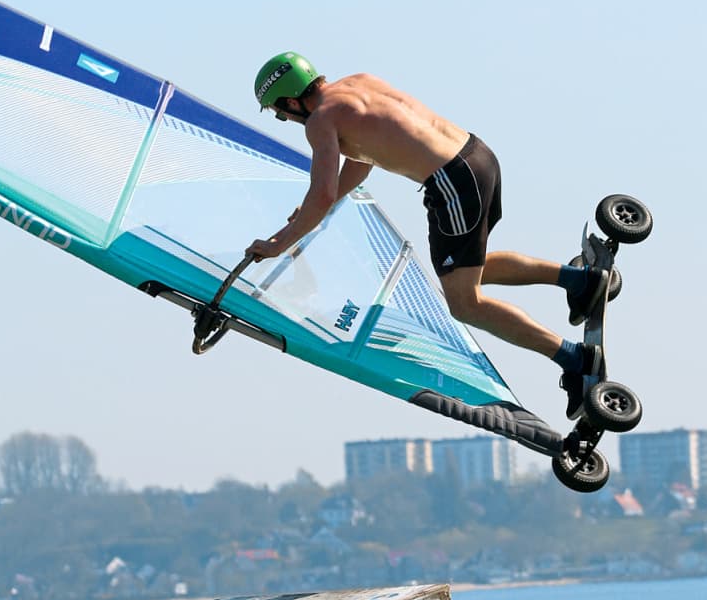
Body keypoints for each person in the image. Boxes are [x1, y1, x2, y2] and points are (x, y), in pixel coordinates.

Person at [247, 52, 609, 420]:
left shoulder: (320, 120)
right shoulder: (358, 83)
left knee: (464, 303)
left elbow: (321, 194)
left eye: (280, 113)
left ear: (291, 101)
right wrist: (314, 209)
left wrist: (279, 243)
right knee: (465, 273)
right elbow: (360, 162)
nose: (285, 119)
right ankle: (581, 281)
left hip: (451, 184)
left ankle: (576, 360)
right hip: (477, 157)